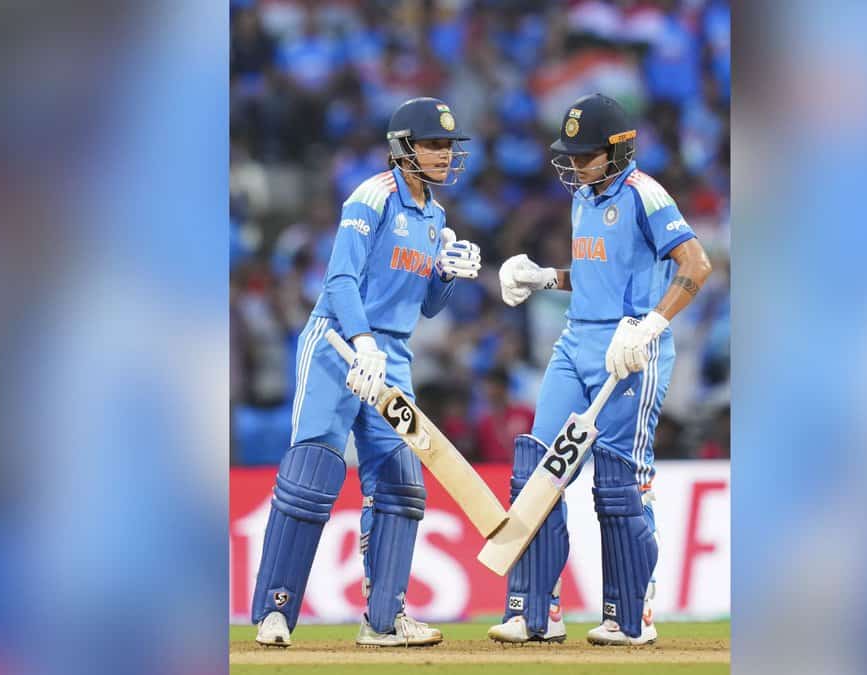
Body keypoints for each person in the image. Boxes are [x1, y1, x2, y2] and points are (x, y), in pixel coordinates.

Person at [252, 97, 481, 648]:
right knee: (311, 477)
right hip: (337, 341)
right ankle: (275, 612)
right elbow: (339, 280)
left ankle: (384, 620)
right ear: (403, 148)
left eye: (449, 146)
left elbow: (427, 308)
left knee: (401, 483)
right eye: (433, 144)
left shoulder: (436, 219)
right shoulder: (370, 197)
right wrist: (361, 343)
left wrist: (446, 274)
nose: (445, 155)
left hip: (392, 355)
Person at [490, 94, 712, 646]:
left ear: (618, 150)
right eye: (570, 153)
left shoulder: (645, 194)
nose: (575, 164)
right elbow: (596, 274)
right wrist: (544, 278)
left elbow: (696, 263)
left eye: (586, 154)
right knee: (537, 472)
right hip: (575, 341)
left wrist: (650, 326)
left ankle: (630, 617)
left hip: (628, 349)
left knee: (618, 483)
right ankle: (535, 610)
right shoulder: (583, 198)